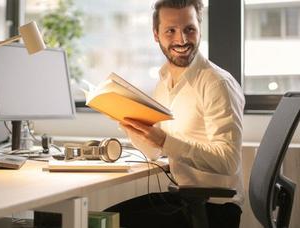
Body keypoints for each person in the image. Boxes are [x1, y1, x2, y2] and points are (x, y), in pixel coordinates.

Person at [105, 0, 245, 227]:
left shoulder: (217, 83)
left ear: (199, 28)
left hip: (215, 208)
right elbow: (153, 152)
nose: (182, 40)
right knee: (105, 217)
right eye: (170, 31)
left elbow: (228, 161)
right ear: (156, 35)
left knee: (109, 224)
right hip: (185, 198)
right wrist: (130, 125)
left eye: (189, 29)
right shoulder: (164, 83)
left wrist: (164, 140)